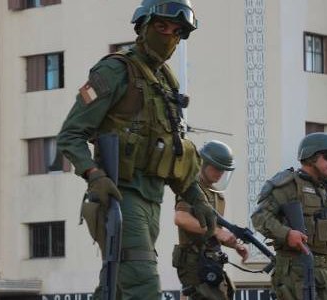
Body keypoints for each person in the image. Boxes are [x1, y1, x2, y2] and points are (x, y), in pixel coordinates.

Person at [57, 1, 216, 298]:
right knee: (143, 285)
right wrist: (94, 175)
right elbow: (70, 135)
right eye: (161, 27)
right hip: (121, 196)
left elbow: (172, 150)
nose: (169, 36)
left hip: (152, 199)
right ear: (142, 27)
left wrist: (196, 196)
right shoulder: (116, 70)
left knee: (116, 287)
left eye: (177, 31)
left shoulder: (166, 81)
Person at [251, 132, 327, 299]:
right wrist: (287, 234)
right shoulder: (288, 185)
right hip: (296, 273)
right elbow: (259, 217)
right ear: (311, 156)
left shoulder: (324, 189)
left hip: (324, 275)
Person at [173, 140, 248, 300]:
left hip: (212, 261)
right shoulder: (192, 189)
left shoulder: (217, 196)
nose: (220, 173)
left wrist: (235, 244)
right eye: (216, 168)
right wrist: (216, 231)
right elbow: (181, 218)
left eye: (223, 170)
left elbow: (215, 233)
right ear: (203, 164)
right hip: (195, 262)